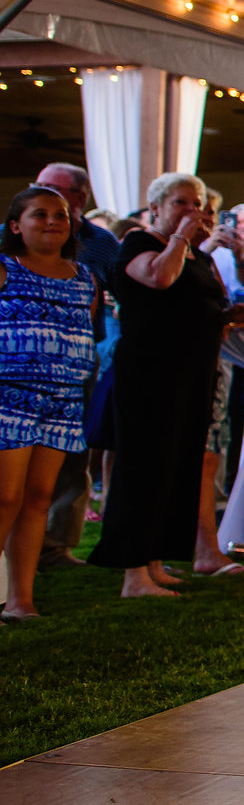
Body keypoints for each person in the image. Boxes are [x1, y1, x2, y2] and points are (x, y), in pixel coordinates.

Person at [90, 173, 244, 597]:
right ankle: (133, 574)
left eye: (198, 204)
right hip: (150, 372)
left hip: (191, 371)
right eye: (181, 203)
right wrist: (183, 239)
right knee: (143, 467)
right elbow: (159, 280)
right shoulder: (139, 243)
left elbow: (191, 307)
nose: (193, 212)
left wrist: (229, 315)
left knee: (175, 467)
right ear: (156, 209)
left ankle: (155, 562)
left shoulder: (195, 256)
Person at [0, 186, 99, 620]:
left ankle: (21, 599)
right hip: (10, 395)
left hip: (64, 398)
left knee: (40, 497)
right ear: (15, 226)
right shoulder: (4, 269)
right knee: (5, 497)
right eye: (39, 214)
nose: (52, 221)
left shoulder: (84, 277)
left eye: (60, 214)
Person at [30, 163, 118, 573]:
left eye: (52, 189)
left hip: (79, 357)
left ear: (80, 199)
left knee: (71, 452)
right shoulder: (9, 236)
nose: (41, 193)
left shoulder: (100, 244)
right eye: (38, 187)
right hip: (17, 359)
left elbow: (126, 292)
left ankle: (55, 546)